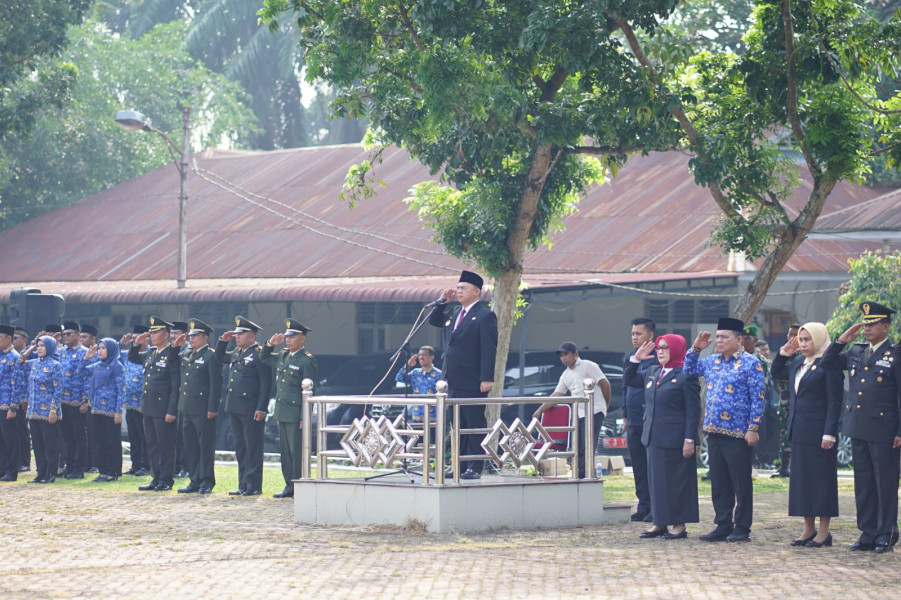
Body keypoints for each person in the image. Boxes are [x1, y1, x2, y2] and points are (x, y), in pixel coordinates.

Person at [820, 301, 901, 554]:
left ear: (886, 326)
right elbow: (827, 363)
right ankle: (867, 532)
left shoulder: (895, 354)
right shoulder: (856, 350)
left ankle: (886, 533)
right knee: (863, 482)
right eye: (865, 324)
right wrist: (841, 340)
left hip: (885, 429)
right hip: (857, 426)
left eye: (873, 324)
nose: (867, 328)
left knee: (884, 482)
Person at [685, 317, 766, 542]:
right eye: (717, 337)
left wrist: (753, 427)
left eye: (724, 337)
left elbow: (758, 398)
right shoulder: (712, 361)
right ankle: (723, 523)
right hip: (714, 431)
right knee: (719, 481)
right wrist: (695, 348)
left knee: (741, 482)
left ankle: (742, 526)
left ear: (739, 340)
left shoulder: (751, 363)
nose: (719, 341)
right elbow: (689, 370)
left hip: (739, 433)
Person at [770, 322, 842, 548]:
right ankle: (808, 529)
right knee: (802, 481)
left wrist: (830, 432)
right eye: (801, 340)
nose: (803, 344)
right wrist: (783, 353)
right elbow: (775, 372)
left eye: (807, 340)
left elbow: (835, 402)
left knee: (821, 481)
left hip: (820, 433)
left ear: (819, 340)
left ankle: (824, 532)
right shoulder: (797, 364)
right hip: (799, 430)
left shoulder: (828, 365)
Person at [625, 334, 701, 540]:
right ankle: (659, 522)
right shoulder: (652, 371)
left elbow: (693, 410)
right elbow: (630, 379)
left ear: (676, 349)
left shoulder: (686, 374)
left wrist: (689, 438)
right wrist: (635, 360)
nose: (660, 351)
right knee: (656, 482)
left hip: (676, 438)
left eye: (665, 348)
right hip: (653, 436)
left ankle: (679, 525)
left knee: (677, 482)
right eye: (658, 348)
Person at [428, 270, 498, 480]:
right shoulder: (454, 312)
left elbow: (489, 348)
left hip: (473, 379)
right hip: (452, 379)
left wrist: (487, 377)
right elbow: (434, 321)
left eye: (463, 288)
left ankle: (474, 466)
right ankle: (458, 464)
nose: (459, 291)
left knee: (473, 423)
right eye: (458, 288)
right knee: (456, 424)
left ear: (476, 292)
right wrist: (442, 302)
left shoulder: (485, 316)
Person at [534, 342, 611, 478]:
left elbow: (605, 383)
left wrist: (605, 405)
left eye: (566, 354)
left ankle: (586, 474)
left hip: (594, 410)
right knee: (578, 446)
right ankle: (580, 474)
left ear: (575, 354)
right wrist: (540, 410)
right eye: (561, 356)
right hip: (579, 414)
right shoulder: (565, 375)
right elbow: (556, 395)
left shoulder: (588, 365)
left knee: (587, 445)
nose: (563, 358)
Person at [216, 316, 273, 497]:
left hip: (251, 408)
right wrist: (222, 342)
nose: (237, 337)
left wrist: (262, 408)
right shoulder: (237, 353)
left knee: (253, 447)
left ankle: (254, 485)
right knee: (240, 447)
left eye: (241, 334)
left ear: (252, 336)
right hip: (234, 406)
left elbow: (266, 383)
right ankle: (243, 484)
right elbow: (219, 357)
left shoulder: (259, 354)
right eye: (236, 334)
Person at [260, 319, 317, 499]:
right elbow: (263, 358)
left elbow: (310, 390)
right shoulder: (283, 355)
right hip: (282, 411)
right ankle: (288, 485)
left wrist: (304, 415)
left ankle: (298, 484)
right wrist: (270, 345)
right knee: (284, 451)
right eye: (287, 337)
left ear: (302, 339)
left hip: (295, 412)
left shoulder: (306, 360)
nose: (288, 340)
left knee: (295, 451)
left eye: (292, 337)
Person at [127, 316, 181, 492]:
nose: (151, 335)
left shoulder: (171, 355)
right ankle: (155, 477)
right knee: (151, 444)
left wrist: (172, 410)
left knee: (165, 445)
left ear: (165, 334)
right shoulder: (151, 352)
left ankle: (166, 479)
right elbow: (133, 357)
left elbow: (175, 386)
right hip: (148, 406)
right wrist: (136, 343)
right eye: (150, 332)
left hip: (163, 408)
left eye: (155, 332)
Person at [173, 319, 222, 495]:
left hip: (203, 409)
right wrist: (175, 347)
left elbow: (216, 385)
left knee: (205, 447)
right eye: (190, 336)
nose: (191, 339)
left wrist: (212, 408)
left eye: (195, 336)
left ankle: (206, 480)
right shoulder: (186, 354)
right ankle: (194, 479)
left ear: (205, 337)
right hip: (187, 408)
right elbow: (171, 363)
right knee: (190, 446)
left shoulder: (211, 355)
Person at [623, 317, 657, 521]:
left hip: (650, 418)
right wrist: (626, 415)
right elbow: (626, 387)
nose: (635, 337)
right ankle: (643, 504)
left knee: (651, 463)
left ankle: (655, 505)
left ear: (650, 335)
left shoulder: (658, 357)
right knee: (637, 464)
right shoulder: (630, 358)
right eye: (633, 334)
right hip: (634, 419)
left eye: (639, 334)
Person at [20, 335, 63, 483]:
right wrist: (30, 348)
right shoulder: (34, 363)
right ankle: (40, 472)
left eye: (42, 346)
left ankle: (50, 473)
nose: (39, 348)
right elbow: (20, 362)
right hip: (33, 411)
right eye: (38, 346)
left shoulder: (55, 365)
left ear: (50, 347)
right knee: (37, 444)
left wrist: (53, 410)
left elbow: (58, 390)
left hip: (47, 411)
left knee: (50, 443)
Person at [84, 338, 126, 482]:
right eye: (99, 348)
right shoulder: (97, 365)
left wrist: (119, 411)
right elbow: (81, 371)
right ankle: (102, 471)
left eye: (103, 348)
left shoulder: (117, 366)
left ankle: (112, 472)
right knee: (99, 440)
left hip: (111, 410)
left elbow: (121, 390)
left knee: (112, 441)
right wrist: (86, 358)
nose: (100, 351)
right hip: (96, 409)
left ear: (111, 350)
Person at [58, 321, 89, 479]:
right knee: (67, 436)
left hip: (78, 401)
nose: (65, 337)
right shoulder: (62, 352)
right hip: (64, 401)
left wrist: (86, 400)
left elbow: (89, 378)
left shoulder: (86, 352)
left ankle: (79, 468)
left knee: (79, 436)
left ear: (78, 335)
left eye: (69, 334)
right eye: (64, 335)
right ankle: (69, 466)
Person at [772, 323, 801, 478]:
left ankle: (794, 465)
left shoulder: (803, 355)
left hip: (798, 403)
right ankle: (784, 467)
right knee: (784, 435)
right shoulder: (784, 354)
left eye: (797, 335)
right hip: (784, 403)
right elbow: (776, 374)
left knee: (796, 435)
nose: (794, 338)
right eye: (791, 334)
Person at [744, 325, 775, 470]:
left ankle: (762, 460)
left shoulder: (761, 360)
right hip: (742, 405)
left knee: (760, 434)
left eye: (748, 338)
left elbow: (767, 382)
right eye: (743, 337)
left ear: (755, 340)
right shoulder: (736, 357)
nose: (745, 341)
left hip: (759, 404)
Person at [120, 325, 150, 476]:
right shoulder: (127, 355)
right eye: (133, 339)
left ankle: (146, 465)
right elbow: (111, 357)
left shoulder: (151, 353)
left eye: (138, 339)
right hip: (129, 403)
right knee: (133, 435)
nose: (135, 342)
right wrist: (121, 344)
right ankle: (135, 464)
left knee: (144, 435)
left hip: (143, 403)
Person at [0, 324, 23, 481]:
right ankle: (2, 468)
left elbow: (18, 384)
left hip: (8, 405)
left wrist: (13, 407)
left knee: (10, 440)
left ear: (9, 339)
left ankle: (11, 470)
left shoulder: (15, 357)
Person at [395, 345, 442, 421]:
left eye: (424, 355)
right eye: (419, 355)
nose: (421, 357)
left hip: (433, 418)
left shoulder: (439, 374)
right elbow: (399, 378)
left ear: (432, 357)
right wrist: (408, 365)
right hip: (416, 416)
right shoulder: (415, 372)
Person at [13, 328, 31, 472]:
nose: (13, 341)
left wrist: (26, 400)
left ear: (24, 340)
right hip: (12, 398)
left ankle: (24, 461)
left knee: (22, 430)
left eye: (16, 338)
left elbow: (28, 380)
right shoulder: (11, 355)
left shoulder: (30, 356)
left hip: (24, 399)